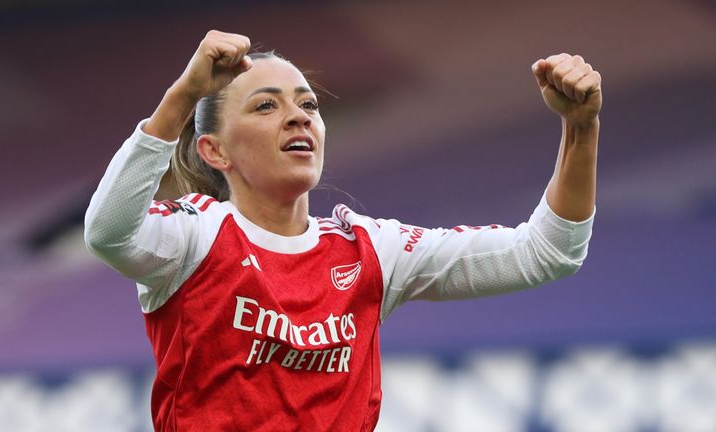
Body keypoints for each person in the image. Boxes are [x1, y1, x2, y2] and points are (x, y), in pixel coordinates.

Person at [84, 30, 601, 431]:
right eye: (266, 105)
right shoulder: (193, 237)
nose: (298, 117)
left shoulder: (370, 250)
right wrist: (184, 96)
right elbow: (108, 232)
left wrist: (581, 128)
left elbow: (548, 253)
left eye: (308, 104)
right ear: (214, 151)